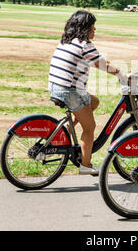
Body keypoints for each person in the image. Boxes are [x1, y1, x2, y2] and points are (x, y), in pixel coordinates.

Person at [48, 10, 126, 175]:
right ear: (85, 28)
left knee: (94, 102)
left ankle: (67, 129)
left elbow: (99, 61)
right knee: (90, 127)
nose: (95, 30)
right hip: (69, 91)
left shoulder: (66, 41)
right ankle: (85, 164)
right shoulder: (84, 44)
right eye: (93, 27)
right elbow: (101, 64)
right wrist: (121, 74)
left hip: (56, 86)